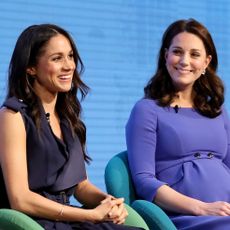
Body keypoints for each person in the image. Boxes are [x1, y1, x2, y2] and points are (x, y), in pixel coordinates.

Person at [0, 24, 143, 230]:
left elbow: (81, 186)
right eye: (57, 58)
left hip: (68, 219)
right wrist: (90, 215)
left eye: (70, 56)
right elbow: (20, 199)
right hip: (34, 223)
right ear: (31, 68)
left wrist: (108, 203)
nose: (69, 66)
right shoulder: (12, 116)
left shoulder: (68, 117)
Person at [126, 18, 230, 230]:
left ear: (206, 62)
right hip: (188, 216)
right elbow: (144, 181)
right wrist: (201, 208)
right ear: (166, 56)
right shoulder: (147, 110)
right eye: (177, 52)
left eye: (194, 54)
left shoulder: (217, 111)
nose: (184, 61)